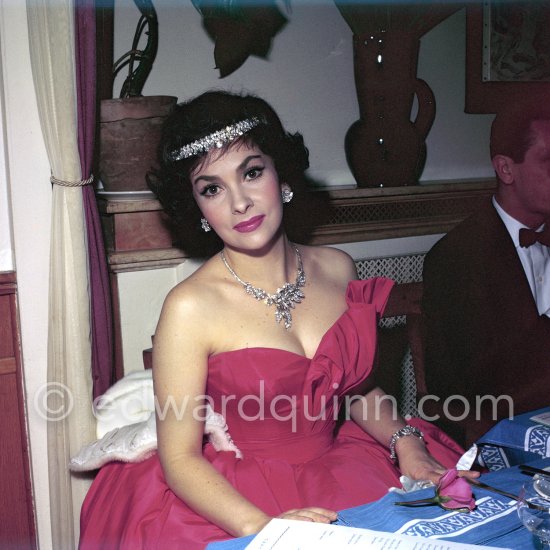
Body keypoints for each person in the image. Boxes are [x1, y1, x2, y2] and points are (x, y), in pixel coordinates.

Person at [79, 91, 474, 549]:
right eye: (212, 188)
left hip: (345, 468)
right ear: (199, 209)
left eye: (251, 172)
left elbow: (355, 388)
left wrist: (408, 444)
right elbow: (181, 459)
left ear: (281, 173)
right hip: (236, 499)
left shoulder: (337, 267)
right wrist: (265, 529)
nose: (240, 203)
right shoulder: (189, 307)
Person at [421, 96, 550, 448]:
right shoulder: (455, 259)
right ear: (506, 169)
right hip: (503, 435)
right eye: (548, 160)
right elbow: (460, 393)